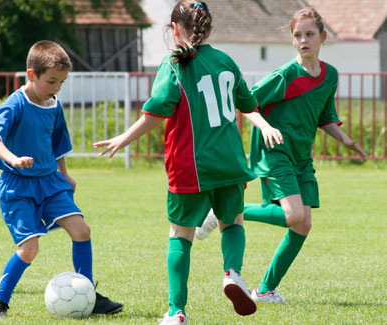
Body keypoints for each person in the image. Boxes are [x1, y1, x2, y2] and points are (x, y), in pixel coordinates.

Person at [93, 2, 283, 324]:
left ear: (175, 29)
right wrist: (263, 124)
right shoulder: (226, 61)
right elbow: (247, 103)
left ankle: (176, 311)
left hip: (191, 167)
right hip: (231, 163)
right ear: (208, 28)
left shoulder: (174, 64)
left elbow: (156, 113)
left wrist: (122, 139)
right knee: (233, 223)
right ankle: (233, 274)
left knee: (181, 235)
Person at [195, 8, 366, 303]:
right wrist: (266, 127)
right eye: (298, 35)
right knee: (293, 215)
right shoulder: (285, 75)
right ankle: (224, 211)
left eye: (310, 34)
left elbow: (325, 117)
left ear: (323, 37)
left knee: (303, 225)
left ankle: (265, 290)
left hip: (301, 157)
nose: (304, 40)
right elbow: (248, 103)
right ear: (292, 40)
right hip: (274, 152)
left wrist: (347, 141)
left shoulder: (330, 75)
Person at [0, 40, 123, 319]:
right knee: (29, 248)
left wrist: (65, 175)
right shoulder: (15, 105)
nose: (56, 88)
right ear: (31, 75)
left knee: (82, 231)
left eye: (62, 82)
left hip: (50, 181)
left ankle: (89, 296)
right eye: (51, 81)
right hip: (17, 185)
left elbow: (58, 144)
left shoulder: (53, 104)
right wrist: (12, 158)